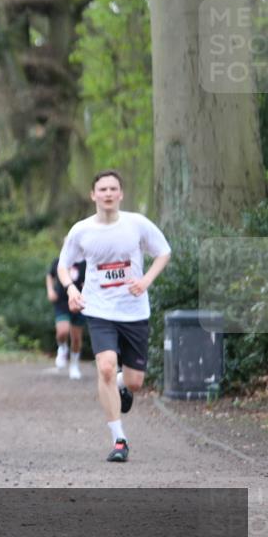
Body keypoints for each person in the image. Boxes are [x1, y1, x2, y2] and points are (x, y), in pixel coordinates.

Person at [57, 170, 171, 463]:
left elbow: (163, 252)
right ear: (93, 195)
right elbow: (63, 266)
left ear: (121, 194)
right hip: (99, 309)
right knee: (105, 368)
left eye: (113, 189)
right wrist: (71, 289)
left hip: (134, 311)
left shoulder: (137, 224)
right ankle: (119, 439)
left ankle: (123, 385)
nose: (107, 194)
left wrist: (145, 281)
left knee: (134, 382)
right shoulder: (81, 230)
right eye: (102, 189)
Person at [46, 256, 87, 379]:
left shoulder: (84, 263)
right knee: (62, 332)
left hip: (79, 303)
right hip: (62, 302)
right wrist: (50, 290)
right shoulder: (59, 261)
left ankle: (74, 365)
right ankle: (62, 347)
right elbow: (50, 275)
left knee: (76, 339)